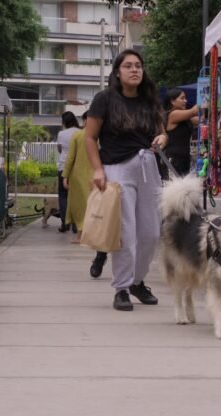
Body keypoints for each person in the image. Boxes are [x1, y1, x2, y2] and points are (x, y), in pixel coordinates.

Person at [85, 49, 167, 311]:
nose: (135, 70)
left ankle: (137, 281)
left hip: (148, 166)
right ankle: (121, 288)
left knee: (152, 233)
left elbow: (161, 131)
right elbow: (89, 138)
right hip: (117, 169)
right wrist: (98, 170)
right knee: (126, 233)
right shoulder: (104, 99)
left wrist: (163, 138)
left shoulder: (149, 100)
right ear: (118, 72)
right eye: (129, 66)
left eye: (139, 66)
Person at [63, 112, 93, 244]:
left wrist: (65, 176)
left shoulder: (78, 135)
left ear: (85, 120)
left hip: (77, 177)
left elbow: (70, 158)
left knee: (80, 207)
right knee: (93, 206)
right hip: (95, 176)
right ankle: (91, 235)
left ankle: (81, 235)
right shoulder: (100, 137)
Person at [162, 88, 198, 177]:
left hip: (184, 159)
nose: (185, 101)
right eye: (182, 98)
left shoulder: (185, 119)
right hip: (173, 160)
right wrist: (204, 100)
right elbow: (194, 111)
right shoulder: (173, 114)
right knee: (174, 189)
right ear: (172, 101)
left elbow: (201, 119)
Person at [56, 111, 80, 233]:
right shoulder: (80, 132)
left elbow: (60, 149)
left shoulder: (61, 134)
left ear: (64, 121)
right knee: (76, 196)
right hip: (77, 167)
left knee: (63, 195)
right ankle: (77, 225)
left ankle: (65, 223)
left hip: (63, 167)